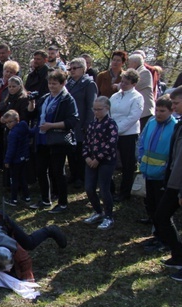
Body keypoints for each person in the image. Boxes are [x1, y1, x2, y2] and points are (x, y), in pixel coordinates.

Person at [27, 69, 79, 213]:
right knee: (41, 170)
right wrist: (31, 103)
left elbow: (72, 121)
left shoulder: (67, 99)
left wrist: (52, 126)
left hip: (57, 140)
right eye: (49, 83)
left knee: (57, 171)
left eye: (54, 84)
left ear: (63, 83)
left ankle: (62, 203)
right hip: (42, 138)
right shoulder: (45, 98)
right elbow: (32, 114)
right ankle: (45, 199)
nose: (51, 86)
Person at [138, 95, 176, 249]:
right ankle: (157, 235)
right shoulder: (152, 122)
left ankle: (164, 239)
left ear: (171, 111)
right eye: (157, 110)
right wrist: (140, 158)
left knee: (162, 210)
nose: (159, 114)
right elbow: (142, 141)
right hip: (148, 172)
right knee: (151, 205)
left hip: (162, 176)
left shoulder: (174, 127)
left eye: (163, 111)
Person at [153, 87, 182, 279]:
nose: (173, 106)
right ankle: (178, 256)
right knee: (161, 216)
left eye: (177, 103)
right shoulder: (180, 123)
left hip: (180, 184)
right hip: (174, 181)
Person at [82, 96, 118, 230]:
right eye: (94, 109)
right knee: (89, 188)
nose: (96, 112)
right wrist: (87, 157)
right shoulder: (92, 124)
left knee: (104, 189)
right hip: (90, 161)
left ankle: (109, 216)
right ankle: (98, 211)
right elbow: (86, 142)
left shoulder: (111, 124)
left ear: (107, 108)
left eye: (99, 109)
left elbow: (111, 144)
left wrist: (98, 158)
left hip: (106, 162)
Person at [109, 69, 143, 202]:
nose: (122, 85)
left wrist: (117, 130)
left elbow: (133, 117)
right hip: (113, 132)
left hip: (128, 134)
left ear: (133, 84)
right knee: (110, 161)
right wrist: (111, 129)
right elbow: (110, 112)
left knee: (127, 164)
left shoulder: (137, 97)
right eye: (122, 81)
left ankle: (125, 192)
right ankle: (110, 189)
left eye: (126, 83)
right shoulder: (115, 96)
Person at [66, 57, 98, 189]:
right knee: (71, 151)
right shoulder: (68, 84)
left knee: (81, 151)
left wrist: (88, 124)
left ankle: (81, 177)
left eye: (75, 68)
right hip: (70, 123)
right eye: (70, 68)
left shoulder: (89, 84)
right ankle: (73, 175)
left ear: (83, 69)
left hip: (82, 122)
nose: (72, 71)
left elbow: (92, 106)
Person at [1, 110, 32, 205]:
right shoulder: (24, 127)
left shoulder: (12, 134)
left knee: (14, 179)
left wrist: (7, 160)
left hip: (15, 160)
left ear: (17, 120)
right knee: (22, 178)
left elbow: (11, 149)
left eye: (10, 122)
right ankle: (26, 196)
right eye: (6, 123)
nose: (8, 125)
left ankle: (13, 199)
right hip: (24, 158)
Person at [127, 53, 155, 130]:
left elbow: (131, 85)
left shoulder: (144, 72)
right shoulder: (139, 72)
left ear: (135, 63)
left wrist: (118, 86)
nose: (128, 65)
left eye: (129, 62)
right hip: (138, 111)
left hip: (145, 112)